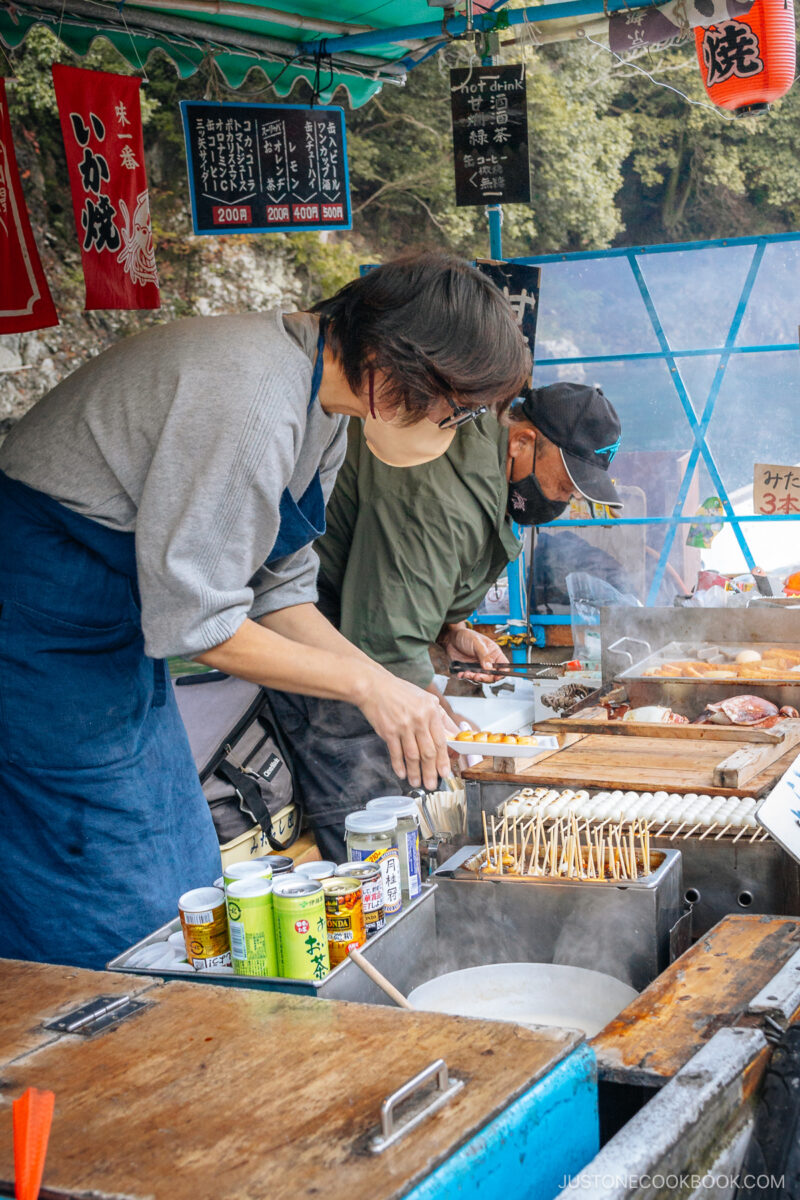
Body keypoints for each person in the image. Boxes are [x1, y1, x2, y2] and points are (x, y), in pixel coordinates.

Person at [0, 252, 530, 968]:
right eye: (456, 406)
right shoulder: (253, 399)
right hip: (39, 610)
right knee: (98, 871)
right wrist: (367, 686)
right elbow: (199, 626)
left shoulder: (328, 408)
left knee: (182, 851)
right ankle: (84, 1045)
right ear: (393, 362)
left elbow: (280, 588)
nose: (454, 424)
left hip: (113, 623)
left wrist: (399, 690)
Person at [267, 382, 623, 859]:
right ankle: (382, 908)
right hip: (313, 621)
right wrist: (443, 718)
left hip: (358, 614)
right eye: (566, 482)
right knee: (380, 807)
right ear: (521, 441)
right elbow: (385, 638)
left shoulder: (483, 455)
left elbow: (402, 581)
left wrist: (448, 630)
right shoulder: (441, 493)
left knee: (421, 770)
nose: (564, 499)